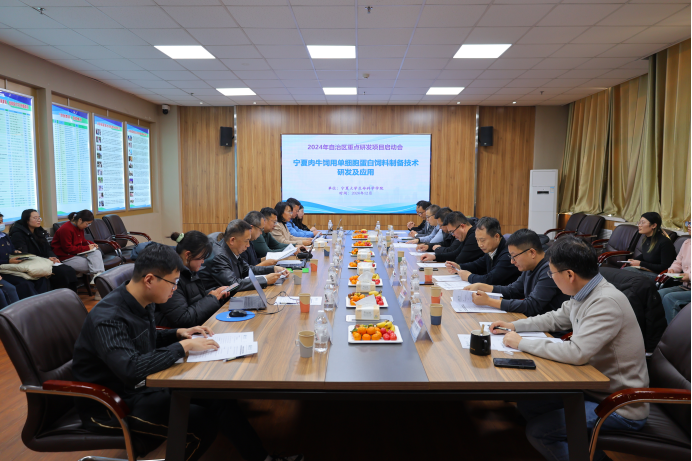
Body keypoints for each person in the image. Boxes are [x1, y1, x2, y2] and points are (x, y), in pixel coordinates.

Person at [72, 243, 302, 461]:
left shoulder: (141, 299)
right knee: (202, 424)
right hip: (112, 405)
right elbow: (131, 369)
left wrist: (178, 334)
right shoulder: (109, 317)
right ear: (149, 280)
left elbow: (142, 339)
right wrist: (183, 347)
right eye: (173, 283)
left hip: (143, 387)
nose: (175, 289)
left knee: (218, 397)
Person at [490, 237, 649, 461]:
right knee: (530, 403)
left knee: (539, 432)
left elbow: (577, 352)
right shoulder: (585, 292)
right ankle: (580, 447)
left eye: (552, 273)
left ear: (569, 275)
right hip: (593, 387)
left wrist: (521, 343)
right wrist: (514, 326)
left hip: (618, 404)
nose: (551, 277)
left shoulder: (606, 303)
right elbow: (556, 318)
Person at [464, 229, 569, 317]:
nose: (512, 261)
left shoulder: (550, 270)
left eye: (514, 256)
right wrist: (481, 286)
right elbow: (513, 290)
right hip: (533, 322)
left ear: (532, 252)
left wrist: (489, 301)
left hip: (548, 330)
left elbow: (531, 306)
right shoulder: (529, 266)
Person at [155, 231, 233, 328]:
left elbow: (193, 299)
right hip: (180, 332)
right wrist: (212, 298)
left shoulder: (189, 271)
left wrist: (214, 293)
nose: (203, 261)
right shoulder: (171, 277)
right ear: (188, 255)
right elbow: (183, 319)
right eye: (201, 258)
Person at [200, 219, 287, 292]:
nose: (248, 245)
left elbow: (248, 269)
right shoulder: (219, 256)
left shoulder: (231, 250)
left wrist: (273, 268)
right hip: (220, 304)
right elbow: (233, 285)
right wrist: (265, 280)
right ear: (232, 240)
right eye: (246, 241)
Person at [9, 209, 79, 291]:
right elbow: (26, 255)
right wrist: (47, 259)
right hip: (34, 263)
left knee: (69, 270)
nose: (38, 220)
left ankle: (71, 295)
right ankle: (61, 295)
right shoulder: (18, 234)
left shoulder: (39, 231)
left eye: (39, 217)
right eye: (35, 218)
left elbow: (47, 248)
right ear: (27, 220)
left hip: (45, 261)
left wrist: (53, 257)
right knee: (62, 272)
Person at [447, 217, 520, 286]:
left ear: (496, 237)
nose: (480, 245)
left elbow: (491, 279)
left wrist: (469, 277)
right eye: (477, 240)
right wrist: (459, 266)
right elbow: (477, 265)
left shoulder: (508, 255)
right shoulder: (491, 250)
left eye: (482, 240)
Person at [0, 212, 50, 298]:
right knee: (25, 283)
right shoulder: (18, 233)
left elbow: (12, 249)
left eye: (2, 221)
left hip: (12, 266)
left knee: (40, 278)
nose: (2, 224)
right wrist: (8, 261)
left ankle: (45, 300)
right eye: (0, 222)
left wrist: (16, 252)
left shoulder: (4, 236)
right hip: (3, 268)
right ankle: (33, 304)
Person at [51, 210, 105, 284]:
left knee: (96, 253)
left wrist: (91, 244)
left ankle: (97, 277)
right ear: (80, 220)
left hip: (77, 253)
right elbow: (68, 249)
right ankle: (98, 279)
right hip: (66, 256)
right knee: (94, 265)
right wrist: (87, 248)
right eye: (87, 223)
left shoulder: (79, 227)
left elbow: (83, 241)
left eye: (89, 224)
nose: (87, 226)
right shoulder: (66, 229)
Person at [625, 212, 676, 279]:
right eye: (639, 222)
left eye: (643, 223)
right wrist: (633, 260)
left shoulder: (665, 242)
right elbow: (646, 255)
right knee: (625, 271)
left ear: (654, 225)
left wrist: (641, 263)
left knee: (626, 271)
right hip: (648, 271)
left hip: (659, 276)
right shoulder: (646, 239)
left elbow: (665, 267)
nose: (639, 225)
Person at [658, 219, 691, 323]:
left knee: (670, 298)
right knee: (659, 293)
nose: (689, 225)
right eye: (688, 223)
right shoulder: (687, 243)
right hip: (686, 286)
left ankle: (675, 332)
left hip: (688, 285)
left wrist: (689, 277)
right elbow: (678, 262)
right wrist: (672, 269)